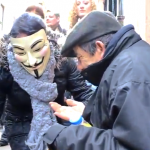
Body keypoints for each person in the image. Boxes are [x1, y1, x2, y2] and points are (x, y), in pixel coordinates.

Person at [43, 11, 150, 150]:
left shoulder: (132, 74)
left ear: (99, 47)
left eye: (80, 58)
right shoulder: (128, 61)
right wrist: (88, 113)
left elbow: (132, 146)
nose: (79, 67)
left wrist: (65, 137)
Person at [0, 13, 92, 150]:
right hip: (20, 126)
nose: (31, 61)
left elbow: (84, 93)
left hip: (57, 121)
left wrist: (87, 110)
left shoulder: (63, 63)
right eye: (21, 52)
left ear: (48, 41)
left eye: (37, 49)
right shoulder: (6, 68)